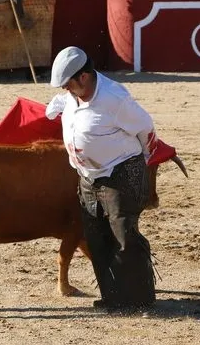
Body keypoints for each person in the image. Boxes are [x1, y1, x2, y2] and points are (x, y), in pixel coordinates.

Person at [45, 46, 159, 311]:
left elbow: (146, 128)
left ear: (83, 77)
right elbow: (60, 105)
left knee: (123, 236)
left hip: (121, 171)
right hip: (87, 176)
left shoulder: (115, 98)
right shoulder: (71, 97)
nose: (65, 90)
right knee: (96, 239)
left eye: (68, 84)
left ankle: (140, 300)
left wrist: (141, 165)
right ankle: (113, 297)